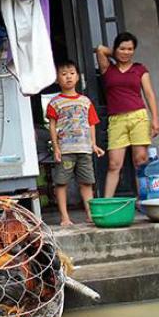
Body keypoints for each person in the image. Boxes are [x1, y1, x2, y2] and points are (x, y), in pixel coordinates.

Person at [95, 32, 159, 198]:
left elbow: (149, 94)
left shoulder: (140, 69)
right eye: (122, 48)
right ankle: (107, 203)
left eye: (130, 49)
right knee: (114, 164)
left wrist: (155, 119)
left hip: (139, 117)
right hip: (116, 120)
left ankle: (145, 199)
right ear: (116, 49)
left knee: (141, 160)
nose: (126, 52)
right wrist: (116, 54)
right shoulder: (108, 68)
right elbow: (100, 49)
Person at [47, 60, 105, 226]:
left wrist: (93, 145)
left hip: (84, 149)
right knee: (61, 182)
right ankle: (65, 217)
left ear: (78, 77)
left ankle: (90, 214)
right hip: (65, 150)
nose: (68, 77)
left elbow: (92, 123)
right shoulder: (55, 103)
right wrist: (56, 148)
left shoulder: (85, 101)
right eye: (63, 74)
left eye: (71, 73)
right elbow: (52, 126)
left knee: (87, 182)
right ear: (57, 79)